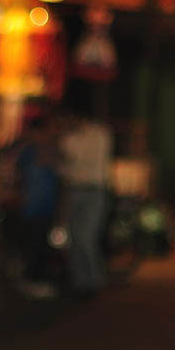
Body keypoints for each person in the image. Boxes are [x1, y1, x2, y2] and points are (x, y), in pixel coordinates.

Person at [58, 99, 112, 298]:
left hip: (93, 190)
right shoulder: (83, 135)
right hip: (76, 189)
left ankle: (93, 281)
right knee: (74, 237)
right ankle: (81, 282)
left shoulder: (96, 135)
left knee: (85, 237)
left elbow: (76, 159)